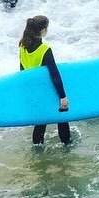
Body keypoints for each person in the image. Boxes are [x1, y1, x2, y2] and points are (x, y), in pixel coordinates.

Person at [19, 15, 71, 145]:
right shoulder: (45, 50)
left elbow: (21, 70)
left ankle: (37, 148)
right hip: (47, 89)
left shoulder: (22, 46)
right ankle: (66, 145)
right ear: (43, 30)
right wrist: (63, 97)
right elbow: (54, 75)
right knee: (62, 115)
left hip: (33, 90)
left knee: (41, 121)